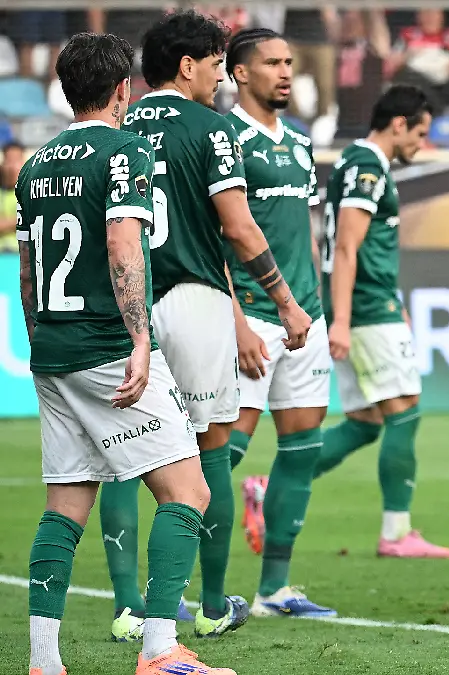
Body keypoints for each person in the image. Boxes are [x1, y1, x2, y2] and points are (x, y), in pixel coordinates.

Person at [20, 31, 234, 675]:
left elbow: (30, 272)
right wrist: (141, 340)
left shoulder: (36, 164)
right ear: (123, 89)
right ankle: (159, 649)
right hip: (108, 346)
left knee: (66, 505)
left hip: (53, 351)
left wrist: (39, 341)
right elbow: (122, 247)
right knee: (187, 492)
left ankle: (43, 661)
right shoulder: (124, 152)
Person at [100, 10, 313, 642]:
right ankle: (216, 605)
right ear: (188, 66)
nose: (222, 77)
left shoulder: (114, 126)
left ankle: (128, 607)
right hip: (194, 300)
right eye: (218, 64)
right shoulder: (214, 129)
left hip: (125, 304)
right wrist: (285, 301)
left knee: (119, 457)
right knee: (209, 452)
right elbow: (239, 229)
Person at [217, 28, 337, 619]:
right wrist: (236, 321)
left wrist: (318, 309)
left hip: (304, 319)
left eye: (290, 61)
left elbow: (308, 234)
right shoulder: (225, 140)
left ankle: (274, 591)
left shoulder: (300, 142)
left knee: (302, 450)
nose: (286, 72)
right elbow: (216, 239)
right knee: (223, 456)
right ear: (240, 74)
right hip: (254, 317)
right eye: (271, 63)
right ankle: (198, 592)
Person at [313, 84, 449, 559]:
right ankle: (397, 533)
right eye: (421, 133)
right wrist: (344, 319)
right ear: (399, 124)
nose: (422, 144)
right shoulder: (368, 165)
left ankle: (270, 486)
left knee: (366, 420)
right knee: (405, 410)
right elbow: (348, 247)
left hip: (372, 303)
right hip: (365, 307)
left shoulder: (361, 164)